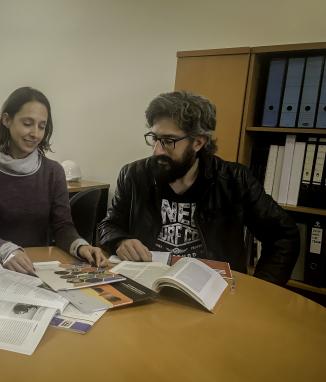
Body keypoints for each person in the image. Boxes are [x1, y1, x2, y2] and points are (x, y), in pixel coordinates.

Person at [98, 91, 299, 285]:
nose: (157, 150)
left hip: (210, 290)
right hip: (148, 283)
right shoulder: (134, 175)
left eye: (168, 141)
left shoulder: (234, 180)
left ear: (198, 142)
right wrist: (120, 241)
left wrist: (261, 288)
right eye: (154, 138)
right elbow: (109, 225)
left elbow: (283, 235)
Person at [0, 86, 107, 274]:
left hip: (39, 266)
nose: (35, 133)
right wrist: (8, 251)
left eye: (42, 126)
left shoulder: (53, 171)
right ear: (7, 120)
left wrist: (81, 246)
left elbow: (63, 227)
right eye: (27, 123)